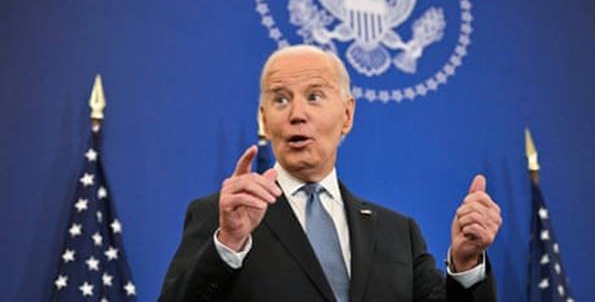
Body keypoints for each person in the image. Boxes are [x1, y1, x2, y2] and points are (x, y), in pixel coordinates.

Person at [159, 45, 502, 302]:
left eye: (314, 96)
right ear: (264, 119)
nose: (296, 113)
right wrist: (229, 244)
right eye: (280, 100)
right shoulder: (221, 217)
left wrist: (466, 261)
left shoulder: (399, 234)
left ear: (347, 115)